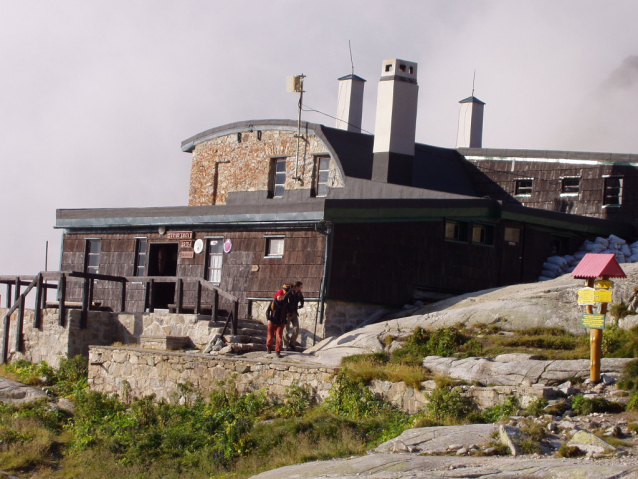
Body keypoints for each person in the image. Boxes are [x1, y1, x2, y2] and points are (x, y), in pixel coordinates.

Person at [283, 281, 304, 351]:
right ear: (297, 287)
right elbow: (284, 301)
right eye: (301, 286)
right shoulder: (290, 292)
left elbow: (302, 299)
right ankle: (285, 345)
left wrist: (301, 305)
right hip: (288, 313)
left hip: (294, 313)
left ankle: (292, 344)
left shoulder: (299, 293)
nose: (302, 288)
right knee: (286, 330)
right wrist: (286, 311)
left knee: (296, 329)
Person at [266, 292, 287, 358]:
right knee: (270, 337)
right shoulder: (273, 303)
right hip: (272, 321)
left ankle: (277, 351)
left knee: (279, 337)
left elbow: (285, 313)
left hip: (281, 322)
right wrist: (268, 319)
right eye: (279, 297)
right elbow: (267, 311)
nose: (280, 298)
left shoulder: (284, 304)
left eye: (282, 297)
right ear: (277, 296)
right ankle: (268, 347)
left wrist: (284, 321)